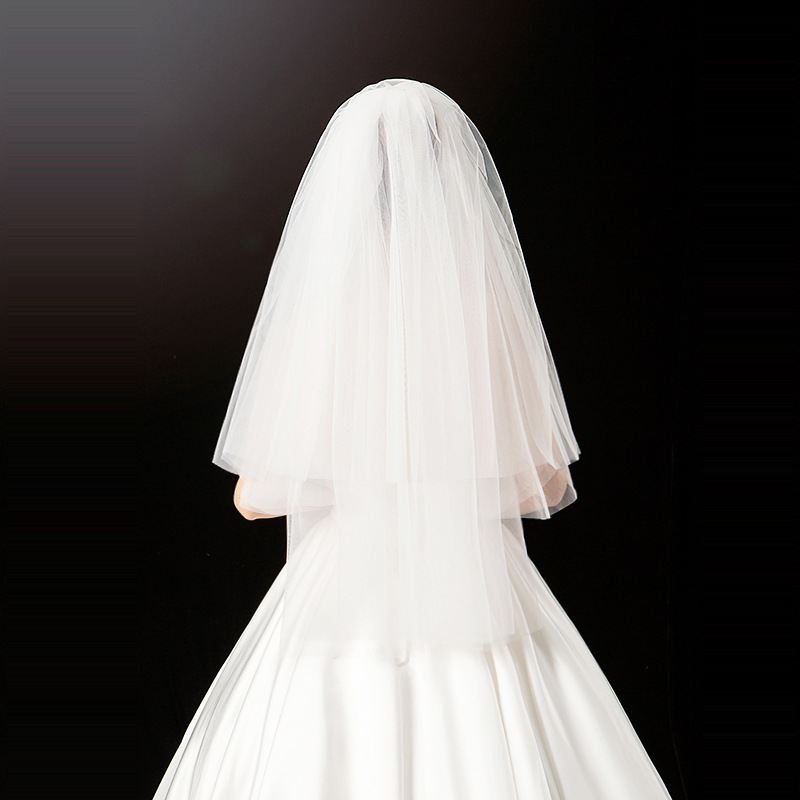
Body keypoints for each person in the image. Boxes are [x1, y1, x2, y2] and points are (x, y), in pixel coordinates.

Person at [153, 78, 673, 799]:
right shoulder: (484, 306)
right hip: (475, 582)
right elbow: (548, 484)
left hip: (344, 593)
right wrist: (450, 476)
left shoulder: (322, 312)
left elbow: (254, 497)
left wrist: (362, 473)